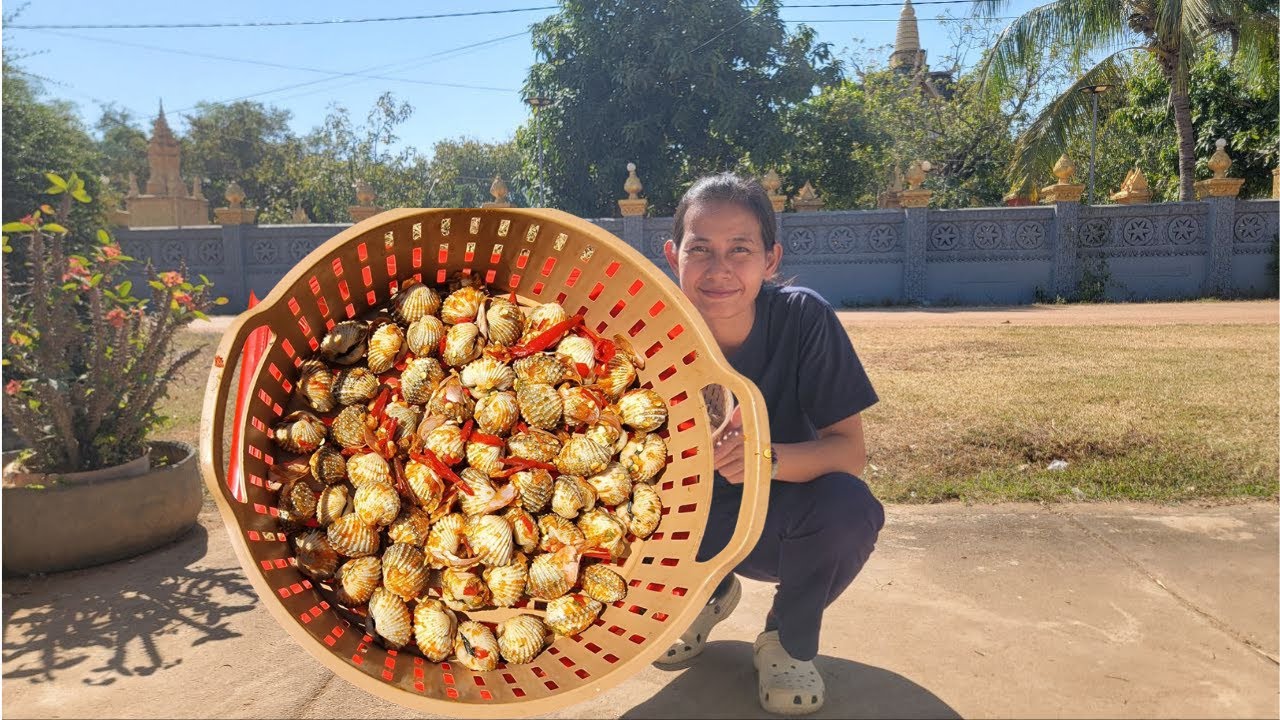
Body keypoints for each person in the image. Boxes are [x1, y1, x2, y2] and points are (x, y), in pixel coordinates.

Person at [653, 172, 885, 715]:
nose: (719, 270)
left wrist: (764, 458)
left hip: (775, 512)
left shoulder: (803, 319)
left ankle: (786, 639)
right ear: (672, 255)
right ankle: (702, 598)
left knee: (850, 510)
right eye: (700, 249)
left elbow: (849, 451)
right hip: (679, 517)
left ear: (771, 259)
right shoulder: (649, 331)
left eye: (741, 250)